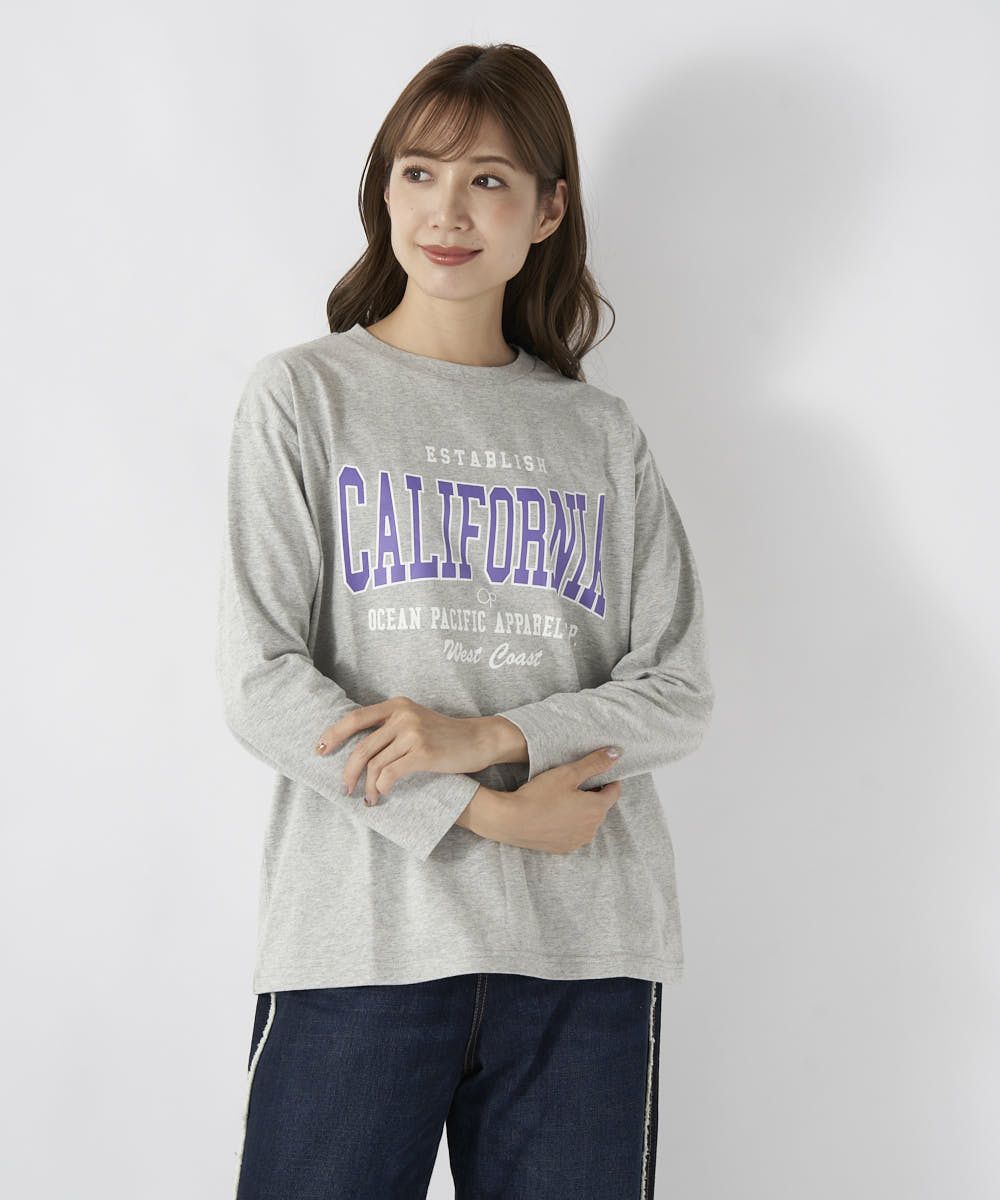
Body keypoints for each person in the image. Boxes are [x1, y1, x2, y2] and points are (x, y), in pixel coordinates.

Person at [215, 41, 715, 1200]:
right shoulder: (304, 398)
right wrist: (478, 813)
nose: (446, 210)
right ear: (383, 190)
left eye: (488, 179)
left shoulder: (600, 434)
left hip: (585, 954)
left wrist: (488, 738)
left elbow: (678, 688)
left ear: (547, 210)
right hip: (363, 940)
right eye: (419, 172)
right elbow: (261, 678)